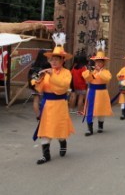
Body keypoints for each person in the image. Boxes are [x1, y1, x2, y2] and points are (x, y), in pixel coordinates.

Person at [31, 33, 75, 165]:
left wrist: (52, 76)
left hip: (60, 103)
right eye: (52, 59)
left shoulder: (66, 73)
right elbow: (41, 89)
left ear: (63, 60)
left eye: (57, 59)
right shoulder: (47, 72)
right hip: (47, 104)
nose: (54, 61)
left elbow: (63, 86)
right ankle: (46, 155)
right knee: (45, 130)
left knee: (60, 130)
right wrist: (37, 81)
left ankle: (63, 142)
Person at [82, 40, 113, 136]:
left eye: (100, 62)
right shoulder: (93, 71)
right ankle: (89, 129)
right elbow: (87, 79)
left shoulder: (106, 71)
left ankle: (100, 125)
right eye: (97, 62)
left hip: (102, 92)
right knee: (90, 109)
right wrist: (89, 72)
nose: (98, 64)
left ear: (103, 63)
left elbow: (107, 79)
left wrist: (99, 72)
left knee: (101, 109)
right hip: (92, 90)